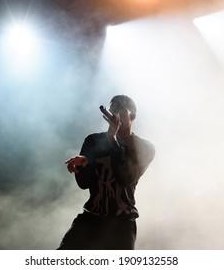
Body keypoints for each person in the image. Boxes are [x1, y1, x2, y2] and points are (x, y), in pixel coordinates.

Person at [57, 95, 155, 250]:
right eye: (113, 109)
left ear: (133, 115)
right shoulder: (93, 141)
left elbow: (125, 177)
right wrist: (84, 166)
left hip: (121, 224)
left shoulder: (144, 147)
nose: (116, 113)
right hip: (90, 219)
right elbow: (83, 183)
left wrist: (112, 140)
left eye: (121, 109)